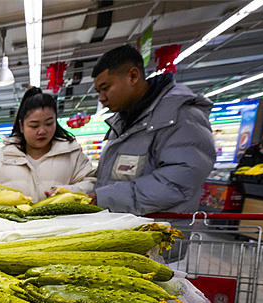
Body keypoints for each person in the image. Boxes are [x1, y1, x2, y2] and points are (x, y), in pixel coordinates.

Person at [89, 45, 215, 214]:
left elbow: (177, 184)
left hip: (160, 228)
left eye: (106, 88)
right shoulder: (122, 122)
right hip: (127, 226)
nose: (102, 99)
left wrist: (104, 198)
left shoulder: (181, 116)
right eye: (98, 91)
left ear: (133, 76)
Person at [0, 87, 94, 202]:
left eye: (49, 123)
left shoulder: (72, 154)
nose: (42, 131)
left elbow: (91, 182)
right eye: (34, 126)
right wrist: (1, 200)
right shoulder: (1, 157)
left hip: (63, 218)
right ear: (21, 126)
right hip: (13, 219)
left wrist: (68, 192)